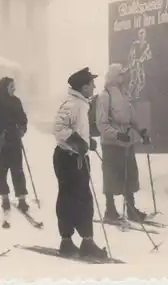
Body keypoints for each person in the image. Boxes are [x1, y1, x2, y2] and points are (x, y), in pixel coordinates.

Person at [52, 67, 107, 259]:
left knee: (75, 198)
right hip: (69, 158)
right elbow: (58, 128)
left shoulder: (80, 103)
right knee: (78, 199)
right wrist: (78, 142)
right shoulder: (73, 104)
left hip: (73, 156)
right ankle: (83, 242)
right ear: (83, 87)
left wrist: (86, 140)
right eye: (91, 84)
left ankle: (72, 241)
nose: (94, 86)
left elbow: (73, 127)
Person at [96, 63, 150, 222]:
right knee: (111, 176)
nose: (123, 77)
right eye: (120, 74)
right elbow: (102, 124)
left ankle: (131, 209)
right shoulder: (105, 96)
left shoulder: (124, 94)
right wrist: (117, 135)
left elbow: (131, 117)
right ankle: (110, 210)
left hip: (126, 142)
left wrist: (141, 131)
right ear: (114, 76)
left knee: (129, 175)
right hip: (111, 144)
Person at [0, 77, 29, 213]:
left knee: (18, 170)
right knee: (0, 171)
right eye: (11, 86)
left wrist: (22, 128)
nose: (14, 88)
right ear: (4, 87)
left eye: (13, 86)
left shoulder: (16, 101)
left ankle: (22, 199)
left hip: (13, 140)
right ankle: (5, 199)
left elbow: (22, 118)